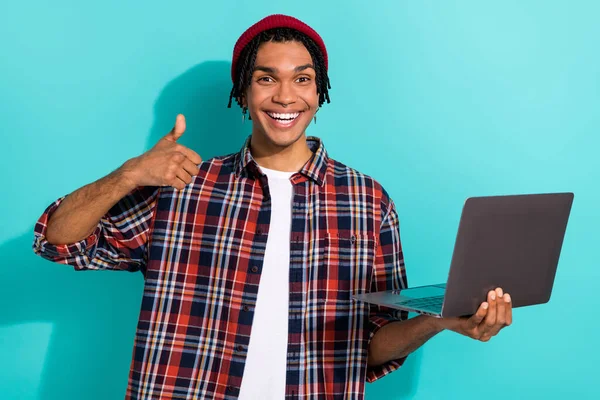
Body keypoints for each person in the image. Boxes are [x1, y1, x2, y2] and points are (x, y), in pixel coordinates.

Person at [33, 14, 512, 400]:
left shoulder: (368, 202)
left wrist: (443, 320)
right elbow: (59, 240)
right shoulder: (184, 186)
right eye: (267, 79)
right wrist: (130, 174)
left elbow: (372, 348)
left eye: (302, 79)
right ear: (243, 93)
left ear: (319, 93)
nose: (286, 96)